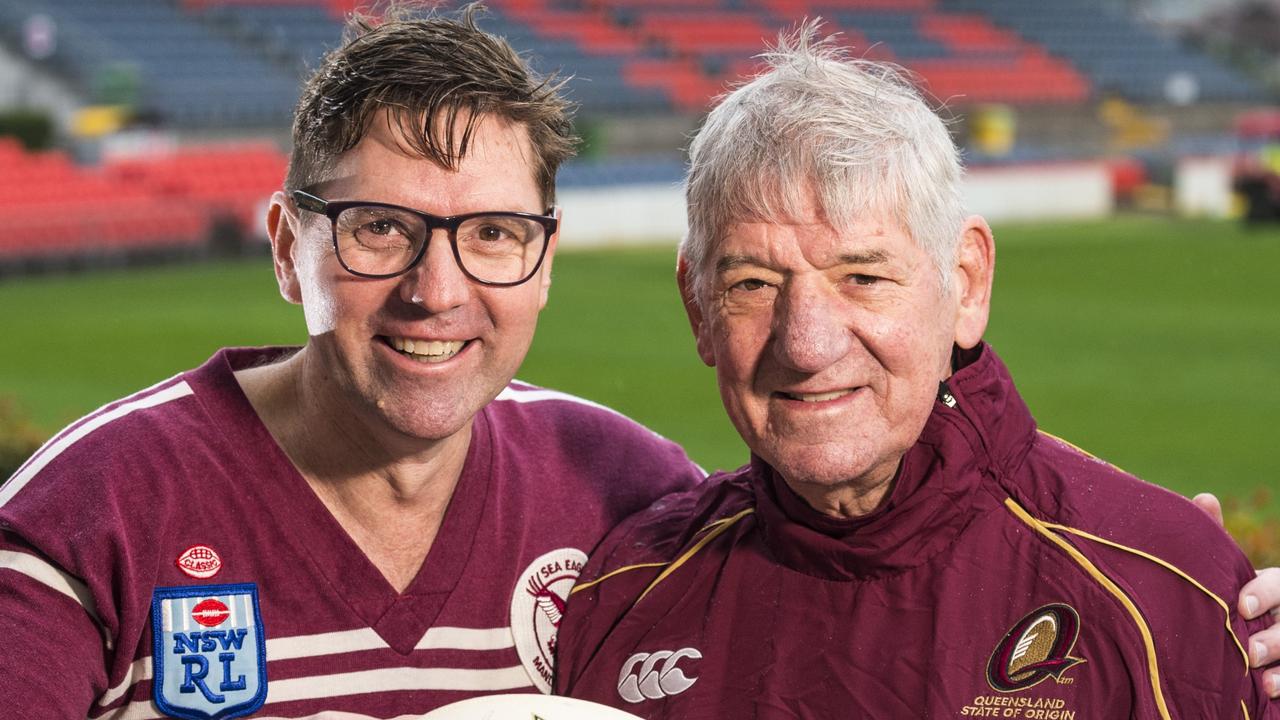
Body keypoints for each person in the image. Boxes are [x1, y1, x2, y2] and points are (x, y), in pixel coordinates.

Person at [555, 26, 1280, 718]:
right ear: (697, 309)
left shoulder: (1164, 589)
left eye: (863, 277)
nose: (806, 344)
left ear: (965, 283)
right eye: (752, 285)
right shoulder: (624, 591)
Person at [0, 7, 703, 718]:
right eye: (381, 228)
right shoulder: (85, 517)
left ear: (544, 263)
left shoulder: (641, 496)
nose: (436, 293)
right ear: (285, 250)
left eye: (493, 233)